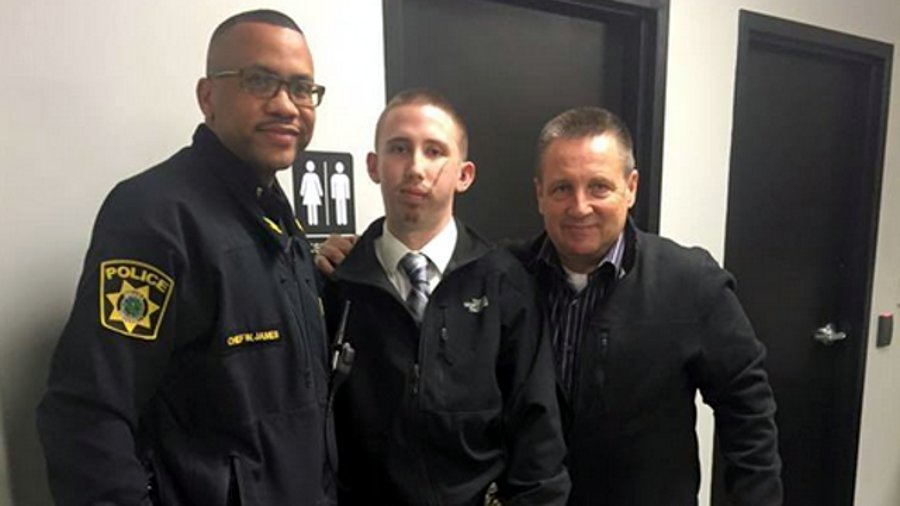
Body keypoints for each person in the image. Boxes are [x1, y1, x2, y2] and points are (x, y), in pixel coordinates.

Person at [316, 106, 783, 505]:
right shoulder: (501, 276)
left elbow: (748, 409)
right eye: (561, 188)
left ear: (631, 187)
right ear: (539, 193)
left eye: (598, 186)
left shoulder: (691, 283)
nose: (579, 206)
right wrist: (351, 255)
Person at [37, 10, 335, 505]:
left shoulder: (281, 221)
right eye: (260, 81)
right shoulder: (154, 216)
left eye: (302, 88)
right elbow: (87, 413)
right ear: (207, 97)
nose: (286, 105)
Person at [324, 89, 570, 505]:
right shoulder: (337, 285)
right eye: (399, 148)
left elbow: (537, 435)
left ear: (464, 174)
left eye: (435, 151)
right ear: (374, 165)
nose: (416, 167)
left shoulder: (505, 283)